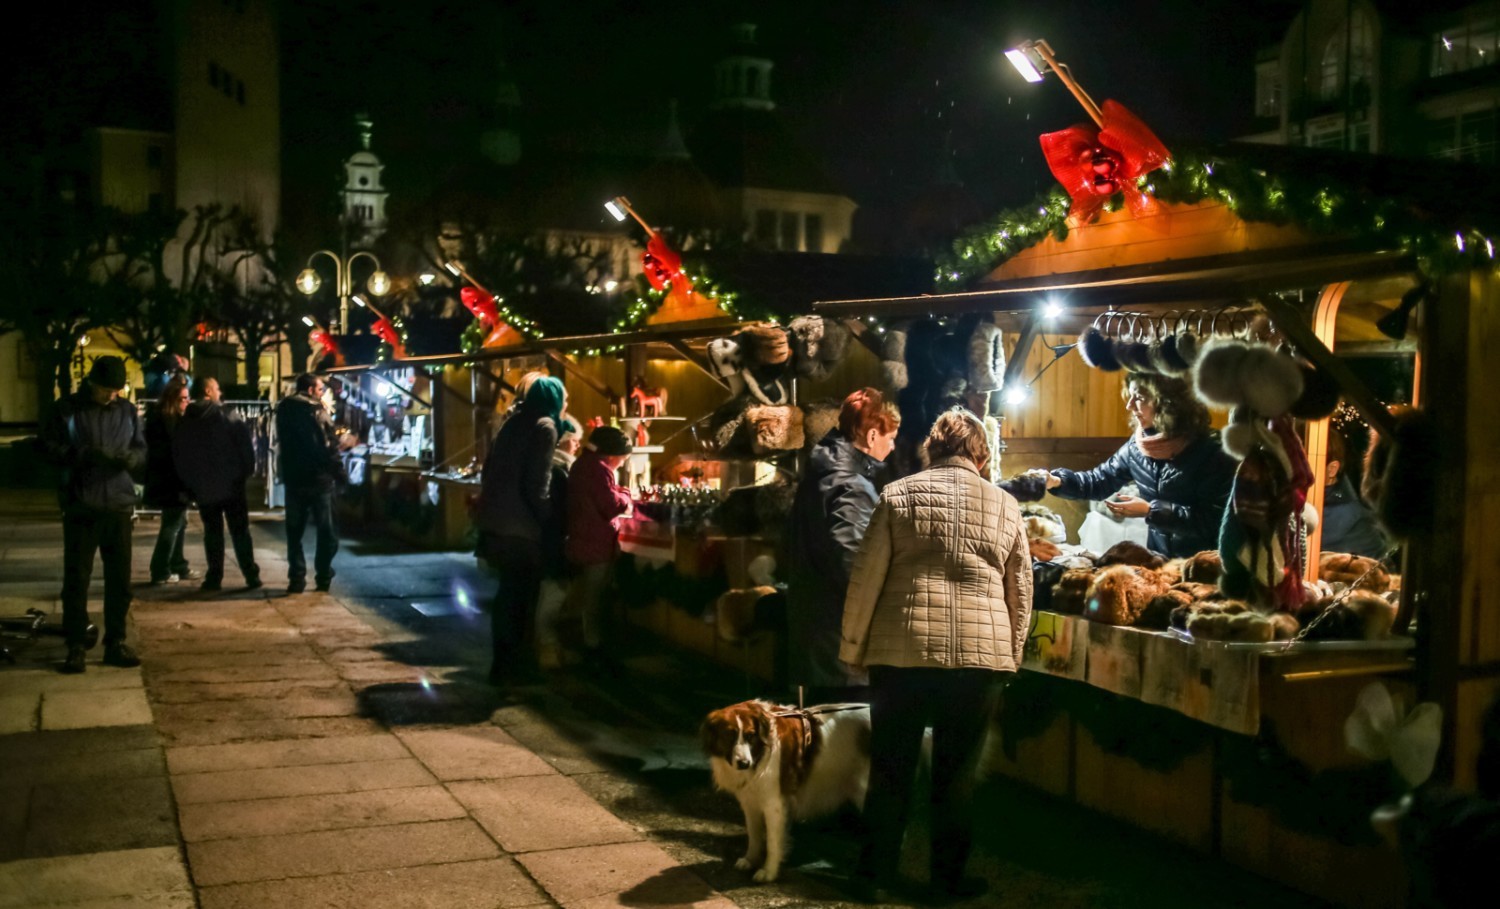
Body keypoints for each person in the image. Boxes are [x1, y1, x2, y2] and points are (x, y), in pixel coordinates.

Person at [841, 408, 1033, 903]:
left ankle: (872, 874)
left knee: (890, 768)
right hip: (978, 661)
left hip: (900, 654)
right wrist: (1009, 654)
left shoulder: (896, 495)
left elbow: (866, 581)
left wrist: (852, 650)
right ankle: (946, 882)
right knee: (956, 775)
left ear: (932, 447)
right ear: (981, 453)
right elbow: (1021, 589)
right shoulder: (1006, 505)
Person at [785, 387, 900, 705]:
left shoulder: (822, 475)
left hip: (819, 640)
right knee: (846, 745)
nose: (892, 449)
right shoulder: (850, 486)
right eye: (891, 439)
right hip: (840, 647)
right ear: (873, 435)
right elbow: (856, 568)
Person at [1044, 373, 1237, 558]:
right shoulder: (1138, 447)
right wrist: (1056, 481)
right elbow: (1098, 481)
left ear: (1168, 403)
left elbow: (1213, 520)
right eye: (1130, 396)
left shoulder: (1213, 451)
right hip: (1162, 561)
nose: (1129, 405)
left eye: (1140, 398)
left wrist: (1151, 511)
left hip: (1208, 564)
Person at [38, 356, 147, 673]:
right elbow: (46, 446)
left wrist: (131, 459)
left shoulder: (126, 410)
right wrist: (83, 456)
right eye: (105, 389)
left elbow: (141, 448)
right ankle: (76, 644)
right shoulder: (67, 409)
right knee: (77, 579)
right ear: (91, 383)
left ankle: (116, 641)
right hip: (81, 504)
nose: (111, 395)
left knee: (119, 581)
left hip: (118, 503)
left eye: (116, 389)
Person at [475, 374, 567, 684]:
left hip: (496, 523)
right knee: (520, 600)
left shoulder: (513, 422)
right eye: (564, 399)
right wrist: (549, 519)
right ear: (554, 400)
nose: (566, 404)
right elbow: (537, 484)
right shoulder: (545, 427)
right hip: (520, 529)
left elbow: (489, 469)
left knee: (506, 596)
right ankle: (513, 669)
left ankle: (501, 664)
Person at [174, 377, 262, 591]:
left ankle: (214, 576)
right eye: (216, 388)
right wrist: (246, 471)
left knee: (212, 533)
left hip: (204, 487)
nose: (220, 391)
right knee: (240, 531)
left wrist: (189, 484)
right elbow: (245, 446)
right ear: (207, 391)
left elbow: (180, 454)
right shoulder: (227, 415)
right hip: (232, 484)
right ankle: (250, 574)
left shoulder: (187, 419)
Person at [564, 424, 634, 674]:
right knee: (595, 599)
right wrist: (626, 496)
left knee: (587, 598)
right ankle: (594, 649)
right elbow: (609, 505)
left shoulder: (583, 465)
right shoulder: (600, 470)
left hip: (581, 538)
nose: (622, 464)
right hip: (595, 543)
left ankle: (590, 644)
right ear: (613, 456)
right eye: (623, 459)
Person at [275, 374, 344, 593]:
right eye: (321, 389)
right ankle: (323, 574)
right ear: (312, 390)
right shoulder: (317, 411)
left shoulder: (283, 409)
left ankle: (297, 577)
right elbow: (329, 446)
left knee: (294, 532)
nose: (323, 392)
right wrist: (340, 473)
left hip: (294, 478)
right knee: (327, 532)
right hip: (318, 480)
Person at [534, 415, 581, 669]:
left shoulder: (546, 467)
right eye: (573, 440)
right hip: (554, 542)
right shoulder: (559, 471)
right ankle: (548, 649)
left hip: (543, 540)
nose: (576, 445)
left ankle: (547, 647)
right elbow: (563, 511)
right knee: (553, 594)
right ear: (562, 442)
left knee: (547, 594)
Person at [143, 376, 196, 585]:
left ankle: (177, 563)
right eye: (183, 398)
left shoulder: (165, 419)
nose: (187, 402)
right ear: (173, 400)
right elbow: (173, 453)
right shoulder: (168, 422)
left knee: (179, 523)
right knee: (173, 524)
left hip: (171, 481)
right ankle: (161, 568)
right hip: (172, 481)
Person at [1320, 430, 1389, 559]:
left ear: (1332, 469)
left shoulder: (1355, 521)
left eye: (1304, 463)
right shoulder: (1290, 503)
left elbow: (1380, 572)